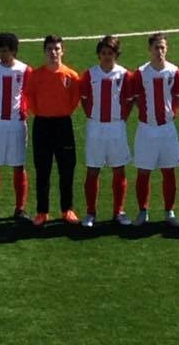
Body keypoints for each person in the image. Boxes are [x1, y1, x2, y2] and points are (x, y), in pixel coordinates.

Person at [130, 32, 179, 227]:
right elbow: (136, 99)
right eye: (156, 47)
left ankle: (169, 211)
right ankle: (142, 211)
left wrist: (171, 113)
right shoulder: (140, 73)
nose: (159, 51)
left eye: (162, 47)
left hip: (167, 129)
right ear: (149, 49)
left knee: (169, 171)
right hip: (146, 129)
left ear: (166, 49)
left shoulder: (175, 72)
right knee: (143, 171)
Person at [79, 36, 134, 227]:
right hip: (95, 127)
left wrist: (120, 118)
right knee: (93, 169)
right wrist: (94, 117)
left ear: (116, 54)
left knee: (119, 169)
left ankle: (118, 211)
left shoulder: (125, 75)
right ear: (98, 54)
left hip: (116, 127)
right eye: (103, 53)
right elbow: (84, 100)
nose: (106, 56)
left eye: (110, 53)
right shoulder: (89, 74)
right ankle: (90, 212)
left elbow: (129, 101)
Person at [27, 35, 81, 226]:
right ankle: (42, 211)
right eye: (50, 49)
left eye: (57, 49)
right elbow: (30, 98)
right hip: (42, 125)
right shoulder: (36, 75)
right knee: (43, 169)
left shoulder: (71, 75)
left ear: (62, 51)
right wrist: (42, 113)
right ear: (44, 51)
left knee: (66, 169)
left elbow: (75, 100)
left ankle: (67, 209)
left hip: (63, 125)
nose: (53, 52)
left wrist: (62, 112)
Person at [0, 32, 32, 222]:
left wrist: (23, 112)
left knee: (18, 165)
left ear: (13, 51)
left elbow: (30, 95)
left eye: (5, 51)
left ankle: (20, 209)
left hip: (17, 123)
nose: (2, 55)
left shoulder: (25, 70)